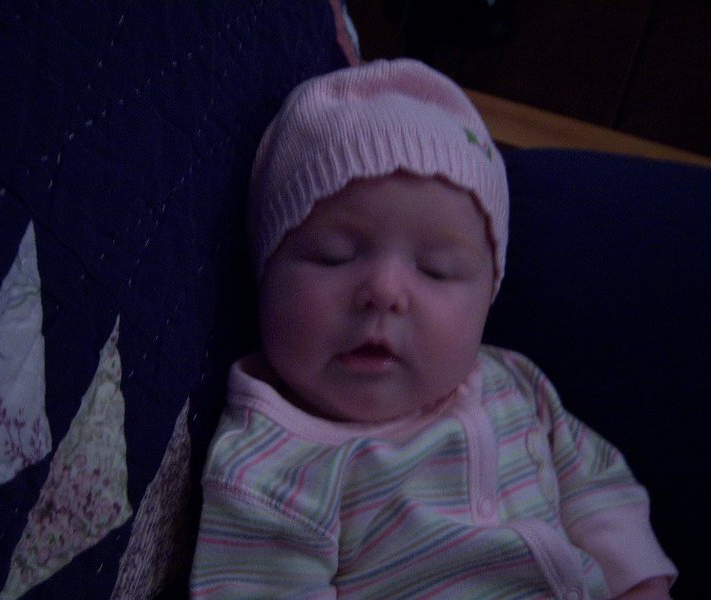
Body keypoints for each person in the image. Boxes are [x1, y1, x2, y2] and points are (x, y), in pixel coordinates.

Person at [189, 59, 677, 598]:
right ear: (264, 276)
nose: (384, 290)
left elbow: (595, 481)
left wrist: (638, 582)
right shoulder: (267, 470)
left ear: (488, 296)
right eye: (334, 255)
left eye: (437, 269)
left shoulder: (513, 382)